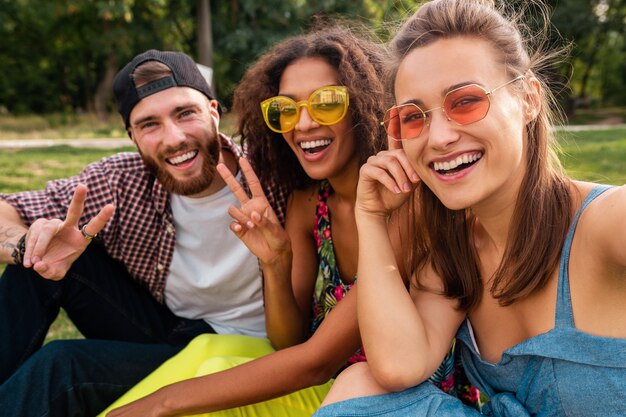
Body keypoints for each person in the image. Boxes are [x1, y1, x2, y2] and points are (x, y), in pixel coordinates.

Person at [102, 24, 468, 417]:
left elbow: (316, 362)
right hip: (324, 378)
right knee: (207, 349)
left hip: (383, 396)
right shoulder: (310, 204)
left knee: (195, 392)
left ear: (366, 104)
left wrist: (163, 403)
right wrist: (275, 264)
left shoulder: (407, 203)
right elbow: (287, 342)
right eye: (286, 109)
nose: (304, 124)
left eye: (326, 103)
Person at [312, 1, 626, 416]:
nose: (439, 137)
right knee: (359, 384)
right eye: (413, 116)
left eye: (465, 101)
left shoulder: (606, 221)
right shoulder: (453, 255)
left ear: (529, 99)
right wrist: (371, 218)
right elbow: (397, 366)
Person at [0, 49, 286, 416]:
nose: (174, 138)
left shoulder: (274, 173)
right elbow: (6, 209)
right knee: (37, 259)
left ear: (214, 112)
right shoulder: (121, 179)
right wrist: (27, 244)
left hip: (245, 353)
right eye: (150, 124)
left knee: (62, 365)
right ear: (133, 138)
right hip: (170, 332)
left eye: (185, 113)